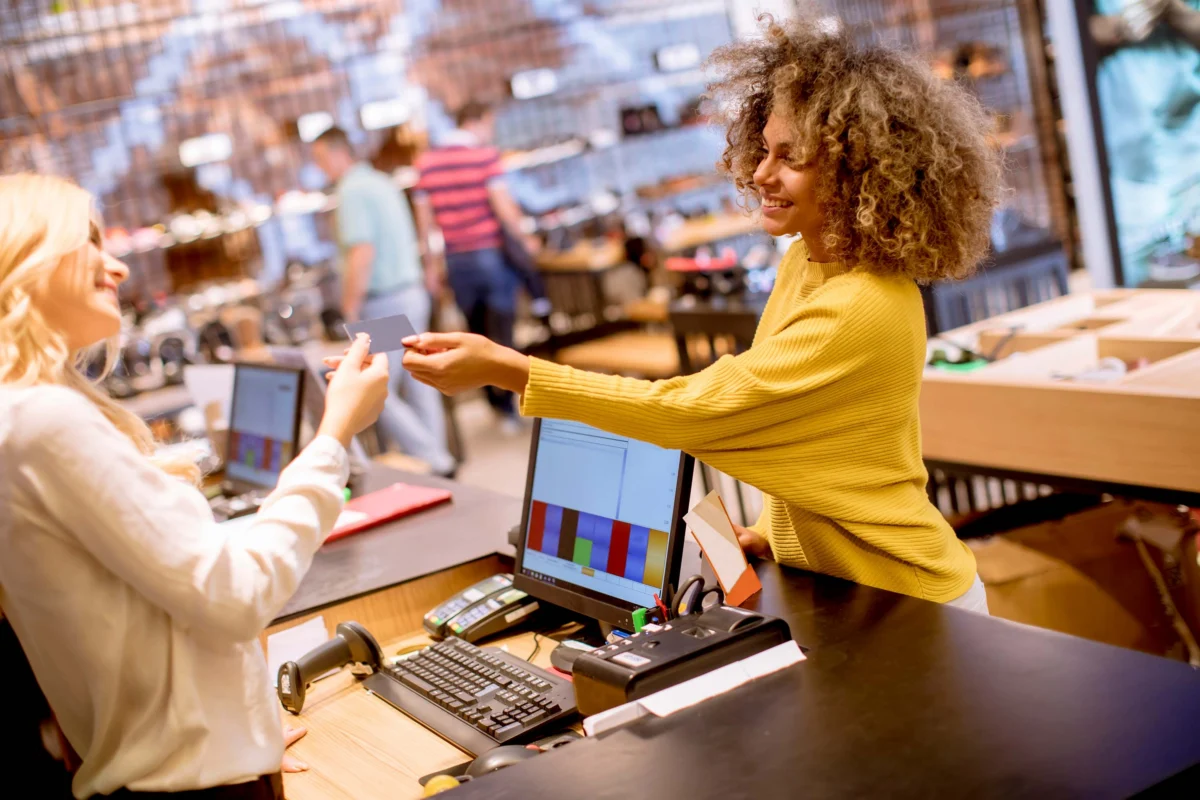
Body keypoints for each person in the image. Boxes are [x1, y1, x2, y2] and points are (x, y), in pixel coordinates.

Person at [389, 18, 1004, 611]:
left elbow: (692, 412)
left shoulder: (863, 305)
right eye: (763, 150)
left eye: (790, 157)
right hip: (849, 592)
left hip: (912, 600)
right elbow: (830, 451)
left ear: (854, 169)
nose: (761, 173)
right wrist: (772, 532)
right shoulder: (806, 264)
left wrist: (515, 371)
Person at [0, 173, 390, 798]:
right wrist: (335, 432)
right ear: (27, 261)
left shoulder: (23, 416)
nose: (119, 266)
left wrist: (237, 727)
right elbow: (237, 594)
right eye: (90, 244)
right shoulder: (43, 421)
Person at [311, 126, 457, 476]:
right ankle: (437, 460)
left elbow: (362, 253)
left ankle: (435, 460)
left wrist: (347, 306)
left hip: (385, 301)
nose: (320, 168)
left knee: (374, 387)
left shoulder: (351, 192)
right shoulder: (380, 181)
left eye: (320, 159)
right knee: (420, 379)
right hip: (411, 292)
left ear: (336, 153)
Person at [412, 102, 547, 433]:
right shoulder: (485, 157)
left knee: (474, 335)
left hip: (458, 263)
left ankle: (497, 407)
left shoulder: (427, 165)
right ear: (475, 121)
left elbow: (424, 226)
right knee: (502, 337)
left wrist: (430, 267)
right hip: (490, 256)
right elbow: (503, 207)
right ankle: (516, 404)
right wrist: (526, 238)